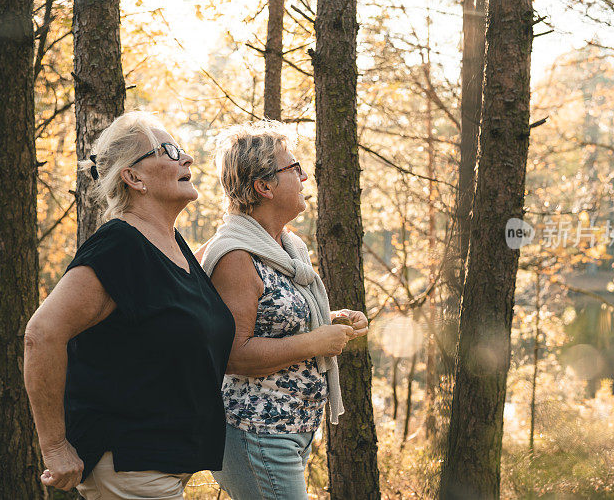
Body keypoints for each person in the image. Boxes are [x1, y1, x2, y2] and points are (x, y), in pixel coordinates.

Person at [23, 111, 235, 499]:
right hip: (127, 462)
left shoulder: (172, 244)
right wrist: (54, 447)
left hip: (165, 462)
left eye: (183, 150)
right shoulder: (119, 245)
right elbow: (41, 333)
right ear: (134, 178)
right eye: (169, 150)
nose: (186, 159)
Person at [198, 120, 369, 500]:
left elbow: (277, 322)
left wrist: (334, 321)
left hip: (289, 430)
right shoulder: (236, 256)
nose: (304, 176)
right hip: (255, 430)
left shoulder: (286, 247)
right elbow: (232, 354)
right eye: (294, 168)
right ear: (264, 186)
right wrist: (315, 341)